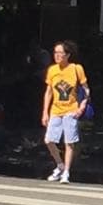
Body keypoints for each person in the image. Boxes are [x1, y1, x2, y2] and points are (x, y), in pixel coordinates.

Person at [42, 40, 89, 184]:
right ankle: (60, 165)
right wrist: (45, 112)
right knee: (49, 140)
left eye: (60, 53)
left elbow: (86, 89)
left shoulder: (76, 69)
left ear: (67, 55)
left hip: (71, 109)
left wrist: (82, 107)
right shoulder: (52, 70)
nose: (57, 55)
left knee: (69, 142)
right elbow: (49, 92)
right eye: (55, 52)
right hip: (56, 110)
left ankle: (66, 172)